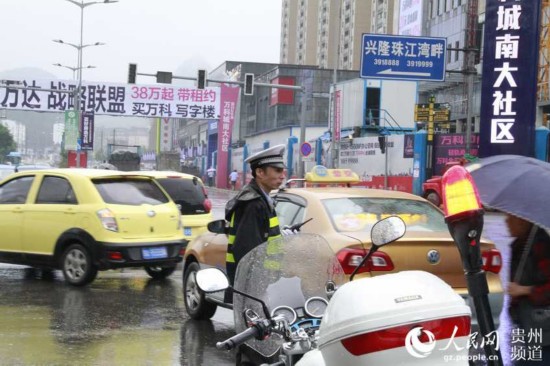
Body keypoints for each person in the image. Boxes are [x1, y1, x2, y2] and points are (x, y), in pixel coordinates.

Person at [224, 144, 288, 293]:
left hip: (259, 281)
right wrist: (256, 281)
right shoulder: (253, 204)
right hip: (251, 284)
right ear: (260, 172)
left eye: (283, 171)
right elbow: (247, 249)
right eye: (277, 171)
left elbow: (263, 237)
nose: (282, 175)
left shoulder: (261, 199)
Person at [506, 214, 550, 365]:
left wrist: (523, 290)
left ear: (522, 221)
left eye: (510, 218)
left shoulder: (540, 245)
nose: (506, 221)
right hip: (524, 323)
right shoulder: (521, 244)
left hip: (541, 328)